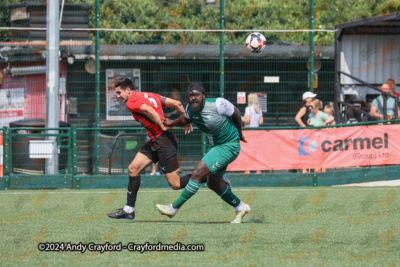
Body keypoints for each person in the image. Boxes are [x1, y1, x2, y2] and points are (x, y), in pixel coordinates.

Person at [156, 82, 251, 224]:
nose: (193, 98)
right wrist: (171, 123)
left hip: (229, 145)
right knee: (213, 183)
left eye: (197, 95)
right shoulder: (190, 109)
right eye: (190, 95)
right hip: (217, 147)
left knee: (198, 173)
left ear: (203, 96)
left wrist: (240, 133)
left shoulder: (218, 104)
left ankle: (173, 208)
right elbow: (186, 118)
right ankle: (241, 207)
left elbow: (236, 113)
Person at [107, 77, 193, 220]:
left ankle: (208, 175)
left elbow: (149, 110)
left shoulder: (132, 101)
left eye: (119, 92)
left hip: (165, 142)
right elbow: (177, 103)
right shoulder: (149, 95)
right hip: (155, 142)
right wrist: (184, 118)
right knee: (133, 169)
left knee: (176, 184)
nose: (117, 96)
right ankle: (129, 210)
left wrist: (161, 125)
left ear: (128, 90)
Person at [241, 93, 263, 174]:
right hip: (257, 132)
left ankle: (248, 169)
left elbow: (247, 121)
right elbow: (261, 122)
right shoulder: (259, 109)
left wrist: (240, 117)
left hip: (249, 132)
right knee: (256, 151)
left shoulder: (248, 109)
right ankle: (258, 170)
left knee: (248, 151)